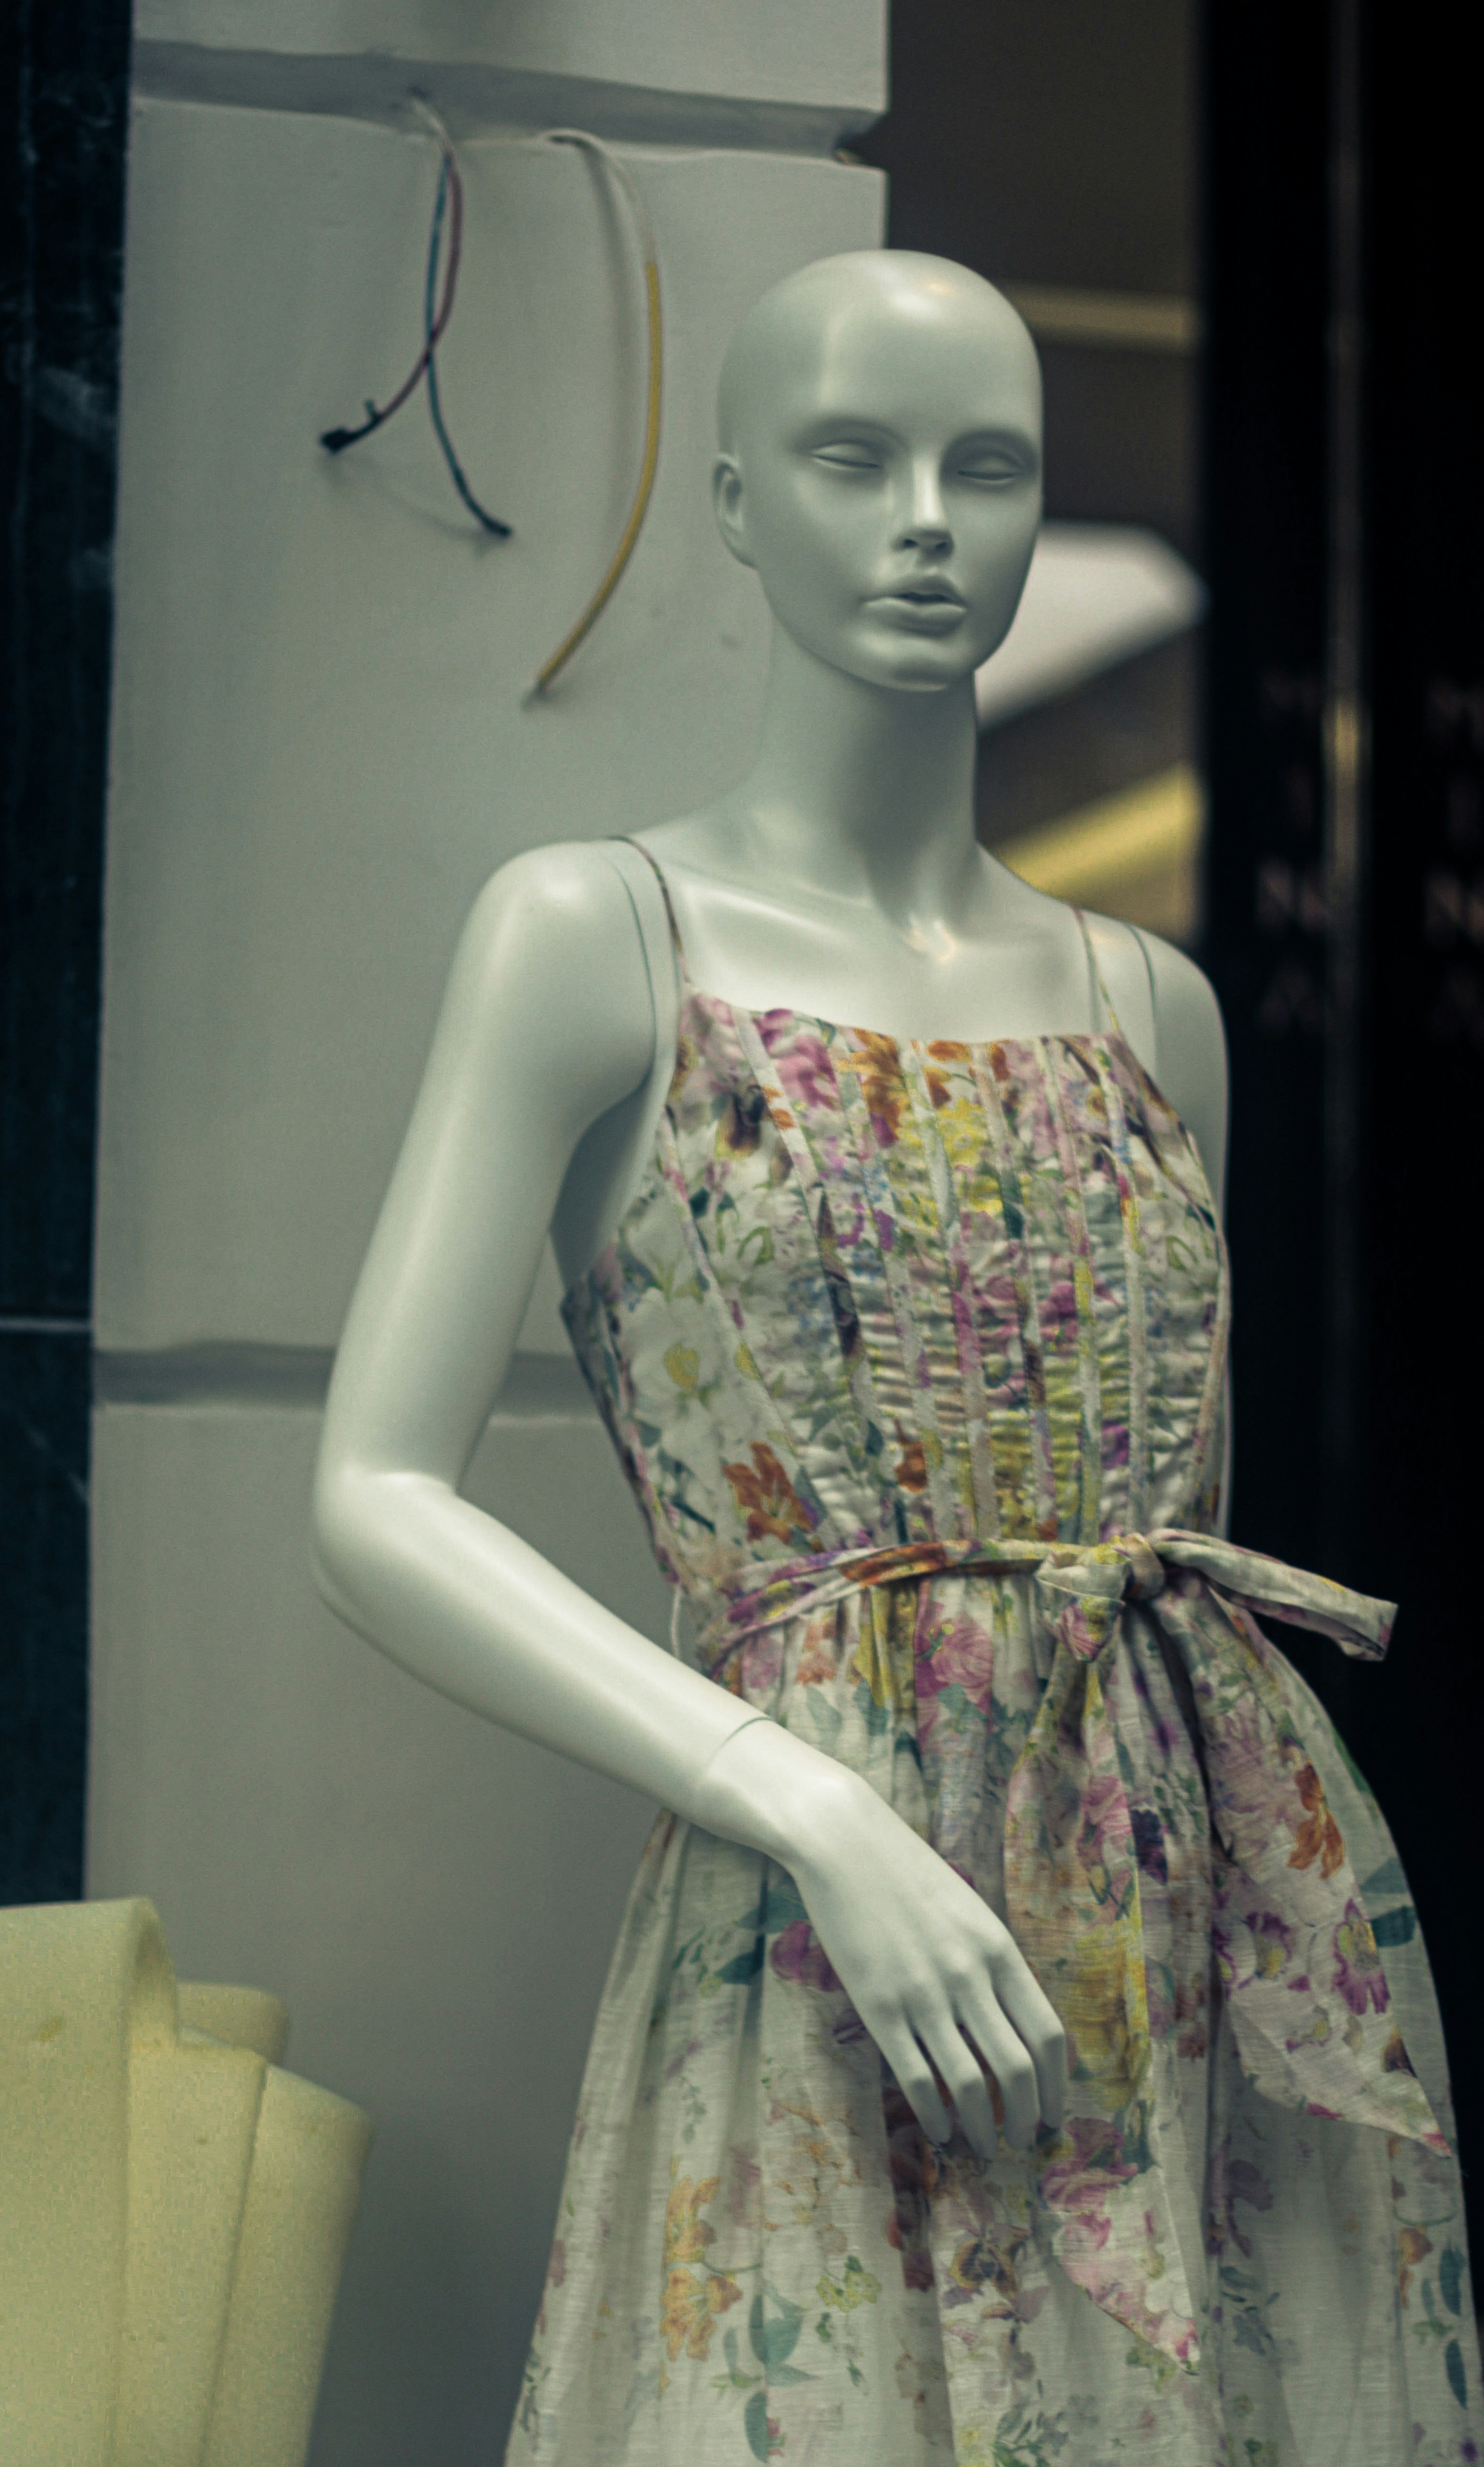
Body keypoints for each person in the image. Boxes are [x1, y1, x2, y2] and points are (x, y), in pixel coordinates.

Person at [313, 251, 1478, 2464]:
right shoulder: (595, 933)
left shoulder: (1152, 1010)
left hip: (1199, 1917)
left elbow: (1172, 1527)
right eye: (856, 460)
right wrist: (802, 1800)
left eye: (990, 466)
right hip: (833, 1919)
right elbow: (371, 1495)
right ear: (738, 500)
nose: (928, 518)